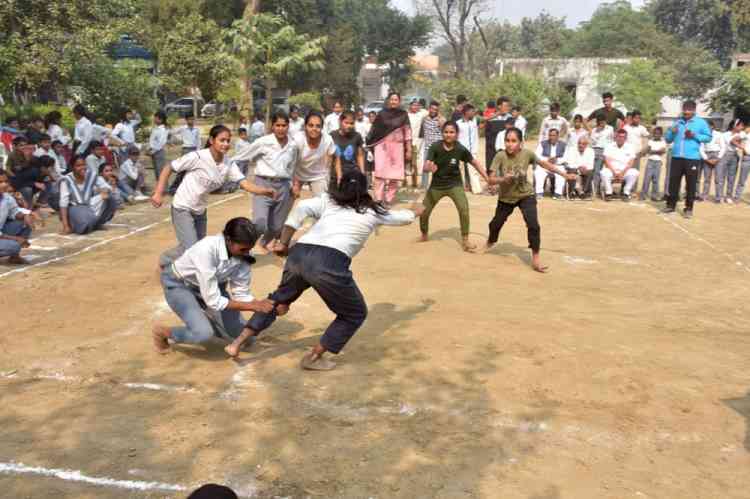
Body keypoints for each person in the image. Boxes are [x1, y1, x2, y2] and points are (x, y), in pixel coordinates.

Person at [224, 170, 423, 369]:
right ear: (364, 189)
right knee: (355, 313)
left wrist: (284, 243)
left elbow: (301, 207)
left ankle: (237, 343)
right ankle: (313, 358)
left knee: (277, 300)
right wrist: (414, 211)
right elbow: (402, 218)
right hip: (329, 261)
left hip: (299, 253)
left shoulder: (329, 201)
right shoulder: (372, 211)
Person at [152, 124, 274, 266]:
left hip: (200, 211)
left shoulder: (228, 164)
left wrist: (264, 191)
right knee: (192, 249)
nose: (226, 144)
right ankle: (166, 260)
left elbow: (244, 184)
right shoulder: (197, 157)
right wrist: (158, 193)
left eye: (228, 141)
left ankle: (173, 261)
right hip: (182, 207)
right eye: (222, 140)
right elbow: (169, 168)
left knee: (197, 247)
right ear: (211, 140)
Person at [152, 217, 276, 353]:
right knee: (203, 333)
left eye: (249, 249)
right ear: (228, 240)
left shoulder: (244, 253)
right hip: (181, 285)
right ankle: (164, 333)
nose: (247, 253)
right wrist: (254, 306)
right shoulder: (206, 249)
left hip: (213, 288)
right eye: (243, 249)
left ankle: (207, 319)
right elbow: (214, 301)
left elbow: (241, 292)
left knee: (247, 339)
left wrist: (262, 305)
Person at [485, 127, 575, 273]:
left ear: (521, 142)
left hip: (526, 195)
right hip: (506, 198)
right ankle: (490, 241)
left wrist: (564, 175)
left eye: (513, 141)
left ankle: (536, 258)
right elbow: (490, 179)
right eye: (507, 141)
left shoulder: (527, 154)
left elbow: (545, 164)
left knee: (533, 225)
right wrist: (502, 179)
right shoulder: (500, 156)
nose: (509, 144)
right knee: (495, 224)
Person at [231, 112, 299, 252]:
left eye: (284, 125)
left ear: (288, 126)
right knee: (260, 223)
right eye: (277, 125)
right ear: (272, 126)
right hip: (263, 184)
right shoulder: (263, 142)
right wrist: (225, 164)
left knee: (277, 227)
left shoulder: (293, 145)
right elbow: (243, 156)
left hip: (283, 186)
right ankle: (240, 248)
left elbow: (292, 166)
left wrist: (293, 185)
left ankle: (263, 242)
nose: (281, 128)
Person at [419, 121, 489, 252]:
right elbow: (426, 165)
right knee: (423, 212)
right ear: (442, 133)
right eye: (446, 132)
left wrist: (486, 177)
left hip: (454, 184)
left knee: (464, 209)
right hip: (437, 186)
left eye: (451, 132)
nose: (448, 135)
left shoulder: (460, 149)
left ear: (456, 134)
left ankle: (465, 239)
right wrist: (428, 167)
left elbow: (475, 163)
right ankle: (424, 234)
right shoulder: (435, 147)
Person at [662, 100, 712, 218]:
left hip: (692, 158)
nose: (686, 111)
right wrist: (671, 132)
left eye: (689, 109)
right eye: (684, 109)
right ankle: (670, 205)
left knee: (691, 184)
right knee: (673, 183)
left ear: (694, 110)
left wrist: (694, 135)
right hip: (676, 157)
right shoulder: (677, 122)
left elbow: (708, 137)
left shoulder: (701, 122)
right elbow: (668, 139)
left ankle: (688, 208)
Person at [368, 92, 412, 206]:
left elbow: (407, 132)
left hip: (397, 147)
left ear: (399, 101)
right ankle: (378, 198)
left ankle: (388, 199)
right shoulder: (381, 114)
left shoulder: (403, 115)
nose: (393, 101)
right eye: (391, 99)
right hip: (382, 147)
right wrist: (371, 145)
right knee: (379, 174)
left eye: (396, 99)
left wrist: (408, 149)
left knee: (395, 175)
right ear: (388, 101)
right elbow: (374, 131)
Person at [59, 156, 117, 235]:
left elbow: (106, 186)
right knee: (85, 225)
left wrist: (104, 190)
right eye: (78, 166)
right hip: (75, 207)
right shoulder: (66, 180)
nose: (82, 168)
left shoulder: (91, 175)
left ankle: (97, 223)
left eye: (84, 165)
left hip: (89, 204)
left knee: (111, 199)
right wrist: (65, 226)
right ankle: (72, 223)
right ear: (72, 167)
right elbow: (63, 203)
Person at [292, 111, 335, 197]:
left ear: (322, 127)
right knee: (287, 201)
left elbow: (331, 159)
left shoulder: (327, 140)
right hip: (297, 174)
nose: (314, 129)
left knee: (322, 202)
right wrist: (295, 183)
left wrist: (328, 177)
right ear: (305, 126)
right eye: (310, 125)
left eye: (318, 126)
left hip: (318, 175)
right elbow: (291, 162)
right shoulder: (297, 140)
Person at [0, 169, 38, 264]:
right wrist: (16, 239)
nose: (4, 185)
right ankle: (13, 249)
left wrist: (25, 216)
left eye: (6, 181)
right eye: (0, 182)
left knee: (25, 223)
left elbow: (15, 212)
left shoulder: (7, 197)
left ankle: (14, 257)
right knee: (14, 246)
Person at [602, 129, 639, 201]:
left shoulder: (630, 147)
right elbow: (606, 160)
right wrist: (613, 172)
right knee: (604, 172)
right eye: (619, 136)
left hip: (624, 171)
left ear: (626, 138)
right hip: (612, 170)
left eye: (623, 137)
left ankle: (626, 193)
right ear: (616, 137)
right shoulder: (609, 146)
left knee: (634, 172)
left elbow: (631, 162)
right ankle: (609, 193)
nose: (620, 138)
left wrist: (622, 173)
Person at [168, 114, 201, 196]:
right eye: (190, 119)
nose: (191, 121)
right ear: (186, 120)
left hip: (194, 150)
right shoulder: (183, 128)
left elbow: (198, 141)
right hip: (186, 149)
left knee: (194, 169)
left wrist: (199, 152)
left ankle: (191, 189)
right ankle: (173, 188)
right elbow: (171, 132)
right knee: (182, 169)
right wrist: (173, 140)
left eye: (193, 119)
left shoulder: (196, 129)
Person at [330, 110, 365, 184]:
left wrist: (362, 172)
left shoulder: (357, 136)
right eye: (346, 122)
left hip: (352, 174)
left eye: (351, 123)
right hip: (334, 174)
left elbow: (360, 155)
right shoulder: (332, 136)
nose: (349, 126)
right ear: (340, 121)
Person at [716, 119, 744, 204]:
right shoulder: (724, 134)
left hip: (735, 156)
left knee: (731, 177)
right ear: (734, 126)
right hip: (724, 155)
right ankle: (719, 196)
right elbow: (731, 142)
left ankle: (728, 196)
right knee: (720, 177)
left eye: (742, 126)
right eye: (740, 125)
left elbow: (742, 138)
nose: (741, 127)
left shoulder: (741, 134)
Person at [419, 101, 446, 189]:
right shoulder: (424, 119)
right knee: (426, 168)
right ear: (429, 109)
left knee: (438, 167)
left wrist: (441, 121)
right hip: (427, 147)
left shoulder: (441, 119)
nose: (434, 111)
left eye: (436, 109)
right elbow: (422, 131)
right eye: (432, 109)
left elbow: (445, 131)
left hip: (438, 147)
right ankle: (424, 186)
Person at [534, 128, 567, 200]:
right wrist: (547, 160)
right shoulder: (543, 143)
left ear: (558, 136)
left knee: (561, 173)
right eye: (550, 135)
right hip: (545, 165)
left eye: (554, 135)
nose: (552, 137)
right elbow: (537, 155)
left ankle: (558, 194)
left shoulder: (563, 145)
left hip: (558, 165)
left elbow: (566, 157)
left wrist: (557, 160)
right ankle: (539, 193)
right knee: (538, 171)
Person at [456, 104, 482, 194]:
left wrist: (497, 113)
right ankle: (460, 189)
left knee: (474, 169)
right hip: (461, 150)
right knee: (460, 170)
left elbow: (485, 119)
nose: (473, 113)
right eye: (471, 111)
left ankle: (477, 189)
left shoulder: (474, 121)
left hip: (472, 150)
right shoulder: (458, 123)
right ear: (466, 112)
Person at [698, 120, 725, 202]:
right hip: (707, 156)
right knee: (707, 178)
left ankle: (718, 197)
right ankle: (704, 196)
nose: (707, 128)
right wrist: (706, 159)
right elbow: (701, 148)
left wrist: (718, 158)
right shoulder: (703, 135)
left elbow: (723, 147)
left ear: (712, 126)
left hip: (717, 155)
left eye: (708, 126)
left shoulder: (719, 134)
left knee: (718, 178)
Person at [588, 116, 614, 197]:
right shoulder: (594, 130)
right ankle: (595, 189)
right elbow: (592, 142)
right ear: (598, 122)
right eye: (600, 122)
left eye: (603, 122)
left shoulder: (610, 129)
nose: (602, 124)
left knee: (605, 171)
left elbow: (612, 139)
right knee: (596, 171)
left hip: (607, 151)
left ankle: (604, 189)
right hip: (596, 150)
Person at [484, 97, 512, 172]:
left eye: (508, 106)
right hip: (492, 150)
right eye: (505, 106)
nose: (507, 108)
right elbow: (488, 137)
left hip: (506, 150)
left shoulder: (510, 118)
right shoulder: (491, 118)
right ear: (499, 106)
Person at [640, 127, 667, 202]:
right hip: (650, 161)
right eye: (655, 133)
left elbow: (662, 151)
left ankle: (654, 195)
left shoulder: (663, 142)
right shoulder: (650, 141)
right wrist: (656, 151)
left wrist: (652, 151)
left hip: (658, 162)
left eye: (658, 134)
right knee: (647, 179)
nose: (656, 135)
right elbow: (647, 150)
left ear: (661, 134)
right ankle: (643, 194)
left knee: (656, 179)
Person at [407, 99, 428, 188]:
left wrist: (420, 108)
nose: (415, 107)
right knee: (406, 163)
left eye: (417, 105)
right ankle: (404, 181)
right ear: (410, 106)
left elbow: (429, 111)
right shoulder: (406, 115)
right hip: (406, 141)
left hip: (416, 142)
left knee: (414, 163)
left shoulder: (421, 114)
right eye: (413, 105)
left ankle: (414, 182)